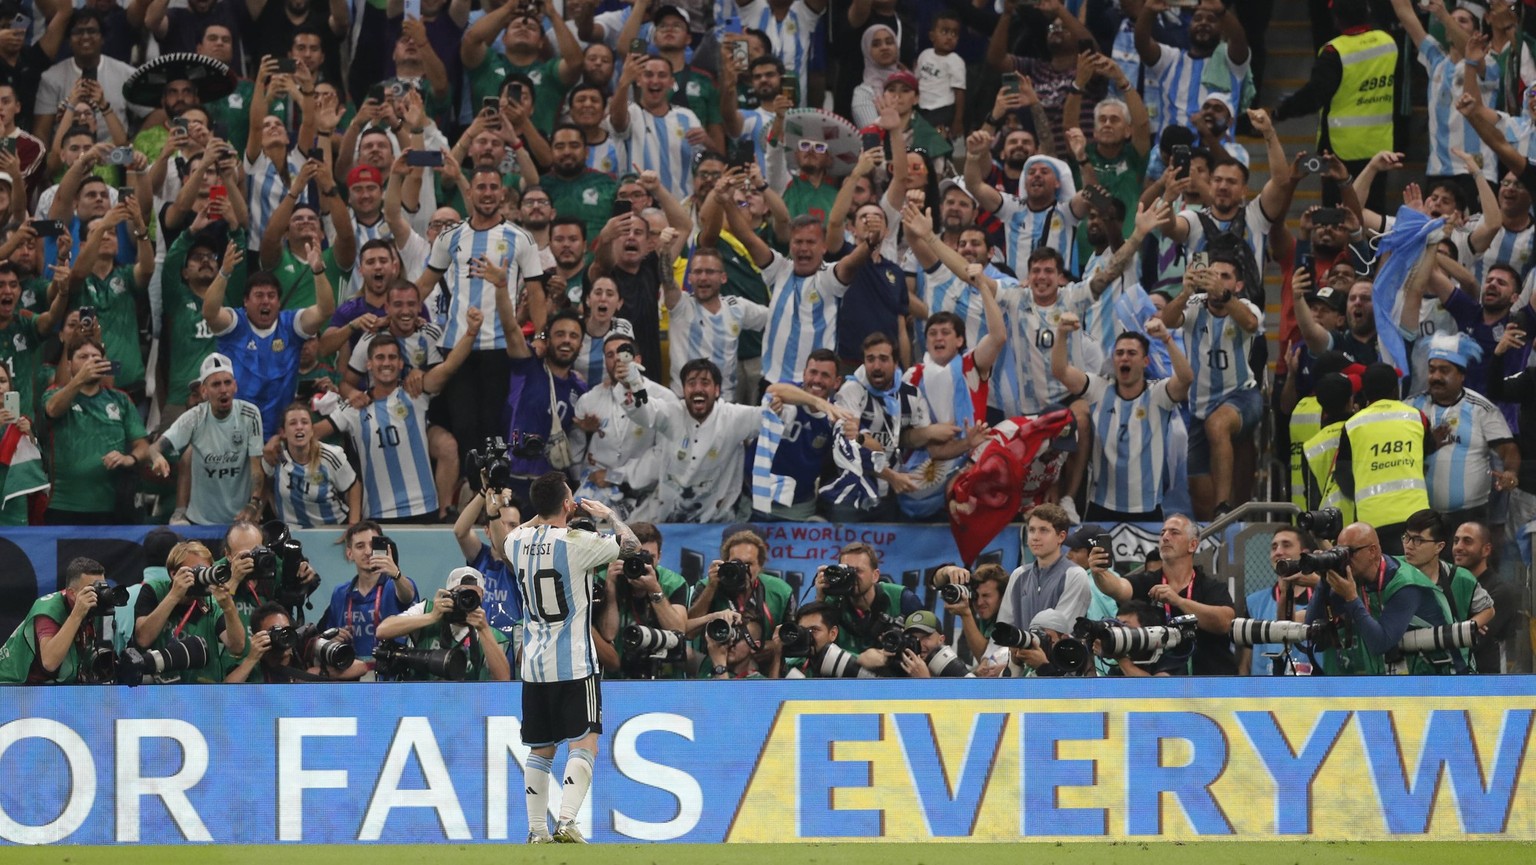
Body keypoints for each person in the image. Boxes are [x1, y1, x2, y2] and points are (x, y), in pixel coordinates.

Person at [504, 473, 636, 844]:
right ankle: (565, 821)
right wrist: (610, 515)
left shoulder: (515, 541)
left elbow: (529, 527)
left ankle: (535, 831)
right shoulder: (578, 541)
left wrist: (541, 512)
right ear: (568, 504)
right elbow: (631, 547)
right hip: (576, 663)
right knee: (585, 742)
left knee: (540, 748)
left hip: (533, 666)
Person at [314, 312, 479, 523]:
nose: (387, 363)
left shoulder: (414, 394)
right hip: (378, 515)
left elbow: (449, 367)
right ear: (369, 365)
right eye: (380, 358)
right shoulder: (354, 407)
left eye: (392, 357)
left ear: (401, 364)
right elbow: (313, 434)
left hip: (423, 509)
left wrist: (471, 332)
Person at [1053, 318, 1193, 522]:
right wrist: (1061, 334)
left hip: (1147, 510)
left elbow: (1186, 378)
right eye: (1119, 353)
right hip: (1100, 507)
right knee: (1095, 554)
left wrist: (1166, 338)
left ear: (1146, 362)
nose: (1124, 358)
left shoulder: (1158, 395)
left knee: (1151, 556)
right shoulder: (1098, 389)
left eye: (1131, 353)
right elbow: (1060, 371)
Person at [1158, 252, 1264, 517]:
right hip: (1199, 406)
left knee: (1217, 425)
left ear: (1237, 285)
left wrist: (1225, 297)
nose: (1217, 281)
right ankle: (1215, 527)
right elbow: (1167, 321)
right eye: (1212, 275)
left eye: (1225, 277)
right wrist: (1184, 292)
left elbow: (1251, 324)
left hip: (1242, 395)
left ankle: (1223, 508)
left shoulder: (1246, 306)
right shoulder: (1194, 304)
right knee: (1198, 492)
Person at [203, 245, 336, 437]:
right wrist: (223, 273)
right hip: (234, 431)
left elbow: (325, 310)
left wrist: (318, 270)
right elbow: (209, 312)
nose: (266, 301)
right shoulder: (235, 324)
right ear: (246, 301)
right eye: (259, 295)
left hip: (278, 433)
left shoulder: (291, 325)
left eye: (271, 296)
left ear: (279, 303)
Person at [1306, 521, 1464, 674]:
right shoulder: (1359, 576)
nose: (1344, 559)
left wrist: (1351, 598)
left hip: (1442, 678)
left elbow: (1380, 643)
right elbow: (1310, 625)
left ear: (1373, 551)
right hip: (1403, 676)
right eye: (1339, 552)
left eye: (1349, 552)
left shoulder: (1406, 585)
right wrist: (1325, 580)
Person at [1090, 514, 1237, 674]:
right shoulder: (1148, 582)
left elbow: (1225, 622)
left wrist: (1179, 601)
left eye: (1174, 532)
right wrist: (1100, 573)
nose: (1165, 537)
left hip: (1212, 683)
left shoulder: (1210, 587)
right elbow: (1118, 588)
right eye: (1162, 533)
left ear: (1192, 545)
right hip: (1161, 686)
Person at [42, 339, 161, 524]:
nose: (91, 362)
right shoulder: (54, 393)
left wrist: (130, 458)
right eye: (83, 357)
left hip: (113, 507)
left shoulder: (120, 400)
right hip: (64, 506)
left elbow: (143, 446)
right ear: (69, 364)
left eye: (96, 357)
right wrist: (80, 378)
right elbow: (52, 410)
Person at [1405, 334, 1518, 526]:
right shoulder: (1410, 407)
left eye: (1444, 370)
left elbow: (1509, 449)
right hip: (1421, 516)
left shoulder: (1482, 409)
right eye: (1432, 370)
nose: (1436, 377)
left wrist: (1511, 473)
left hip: (1469, 517)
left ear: (1461, 375)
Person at [148, 353, 265, 526]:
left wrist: (254, 503)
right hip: (201, 522)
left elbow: (256, 466)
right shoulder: (193, 418)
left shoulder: (250, 414)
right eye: (216, 384)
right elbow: (153, 448)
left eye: (227, 382)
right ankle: (180, 512)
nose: (223, 389)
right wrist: (157, 457)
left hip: (240, 521)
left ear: (235, 386)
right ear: (204, 391)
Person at [1338, 363, 1435, 556]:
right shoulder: (1416, 417)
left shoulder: (1352, 425)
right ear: (1395, 389)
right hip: (1416, 516)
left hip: (1372, 521)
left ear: (1365, 393)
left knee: (1381, 580)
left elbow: (1342, 475)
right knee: (1418, 578)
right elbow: (1428, 450)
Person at [132, 540, 248, 684]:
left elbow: (237, 647)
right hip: (161, 693)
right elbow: (143, 638)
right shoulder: (155, 590)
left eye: (206, 570)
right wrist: (174, 595)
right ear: (174, 574)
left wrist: (229, 608)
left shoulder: (212, 602)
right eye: (196, 571)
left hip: (203, 691)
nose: (202, 577)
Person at [376, 567, 513, 682]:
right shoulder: (427, 609)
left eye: (473, 596)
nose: (466, 601)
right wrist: (431, 617)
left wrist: (483, 629)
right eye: (461, 594)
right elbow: (382, 630)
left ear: (482, 598)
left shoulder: (490, 634)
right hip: (422, 698)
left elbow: (503, 679)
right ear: (448, 595)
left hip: (467, 702)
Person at [990, 504, 1093, 655]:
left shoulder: (1075, 575)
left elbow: (1058, 632)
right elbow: (1004, 627)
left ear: (1061, 536)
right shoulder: (1018, 575)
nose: (1035, 536)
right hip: (1019, 667)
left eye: (1043, 530)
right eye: (1031, 530)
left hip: (1060, 670)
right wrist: (991, 659)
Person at [0, 557, 112, 684]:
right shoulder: (48, 610)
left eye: (101, 589)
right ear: (71, 593)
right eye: (91, 590)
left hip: (52, 686)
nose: (96, 596)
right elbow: (49, 662)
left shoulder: (91, 608)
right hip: (12, 685)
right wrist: (77, 615)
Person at [1238, 526, 1320, 676]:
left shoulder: (1321, 597)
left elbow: (1289, 623)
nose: (1278, 552)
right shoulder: (1254, 602)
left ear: (1305, 554)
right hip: (1265, 694)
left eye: (1286, 545)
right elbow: (1245, 663)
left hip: (1312, 691)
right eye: (1274, 547)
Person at [267, 401, 360, 528]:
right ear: (283, 432)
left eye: (304, 422)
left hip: (333, 528)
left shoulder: (331, 455)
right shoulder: (275, 456)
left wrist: (353, 525)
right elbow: (265, 485)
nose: (299, 427)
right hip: (292, 532)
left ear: (312, 430)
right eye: (293, 423)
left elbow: (354, 486)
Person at [1453, 520, 1524, 674]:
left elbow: (1474, 640)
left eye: (1467, 541)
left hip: (1488, 683)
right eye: (1456, 541)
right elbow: (1464, 633)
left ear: (1486, 550)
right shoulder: (1449, 584)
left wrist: (1452, 626)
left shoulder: (1500, 591)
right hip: (1454, 677)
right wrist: (1466, 625)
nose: (1458, 547)